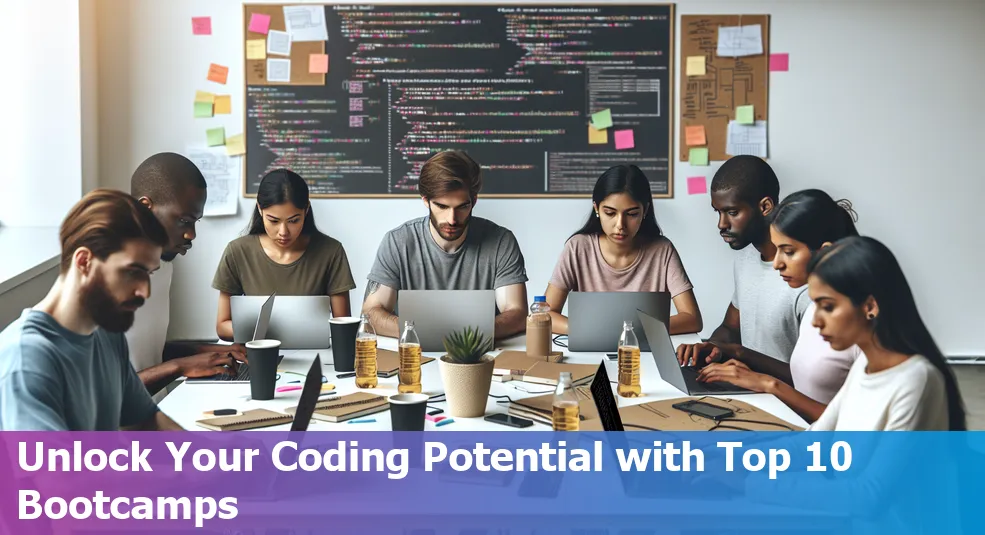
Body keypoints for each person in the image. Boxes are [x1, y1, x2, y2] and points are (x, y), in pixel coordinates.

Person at [0, 189, 183, 430]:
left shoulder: (107, 333)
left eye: (148, 274)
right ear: (84, 261)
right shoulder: (27, 359)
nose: (144, 292)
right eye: (133, 272)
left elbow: (146, 422)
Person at [695, 190, 862, 423]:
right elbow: (807, 384)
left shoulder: (864, 323)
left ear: (824, 253)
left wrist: (769, 384)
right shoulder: (818, 308)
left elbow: (860, 425)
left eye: (789, 251)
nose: (777, 264)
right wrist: (744, 367)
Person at [362, 150, 528, 339]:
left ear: (474, 201)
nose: (452, 219)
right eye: (442, 206)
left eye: (462, 207)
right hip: (415, 353)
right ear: (425, 200)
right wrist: (425, 332)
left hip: (477, 354)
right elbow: (370, 314)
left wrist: (463, 336)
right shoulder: (397, 242)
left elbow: (517, 313)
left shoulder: (501, 242)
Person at [804, 236, 964, 430]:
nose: (815, 321)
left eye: (828, 307)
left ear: (870, 306)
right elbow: (817, 436)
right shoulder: (864, 363)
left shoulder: (916, 379)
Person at [127, 153, 246, 397]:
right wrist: (181, 366)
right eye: (183, 220)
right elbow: (103, 393)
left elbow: (147, 351)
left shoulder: (164, 263)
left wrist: (212, 351)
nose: (191, 235)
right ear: (144, 208)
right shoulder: (107, 278)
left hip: (153, 413)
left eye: (195, 222)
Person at [676, 156, 809, 364]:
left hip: (781, 394)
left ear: (765, 206)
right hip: (746, 386)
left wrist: (739, 355)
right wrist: (708, 347)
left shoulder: (803, 275)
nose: (721, 224)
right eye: (718, 212)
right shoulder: (745, 257)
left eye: (732, 212)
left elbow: (812, 377)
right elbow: (731, 328)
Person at [545, 164, 702, 335]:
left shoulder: (662, 250)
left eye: (632, 214)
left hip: (642, 353)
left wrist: (629, 331)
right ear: (596, 209)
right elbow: (543, 315)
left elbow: (692, 318)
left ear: (645, 211)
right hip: (590, 349)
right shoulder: (578, 247)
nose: (620, 225)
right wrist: (591, 330)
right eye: (610, 213)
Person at [213, 169, 356, 341]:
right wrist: (271, 334)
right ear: (260, 209)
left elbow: (342, 325)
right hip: (257, 354)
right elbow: (222, 325)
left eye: (294, 220)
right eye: (273, 221)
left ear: (306, 210)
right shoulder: (237, 252)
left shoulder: (331, 251)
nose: (283, 232)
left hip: (314, 352)